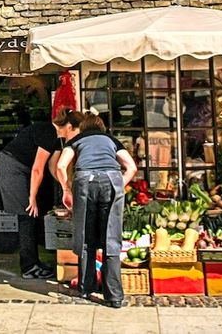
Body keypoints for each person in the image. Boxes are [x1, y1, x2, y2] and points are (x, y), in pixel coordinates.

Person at [55, 110, 138, 308]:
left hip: (85, 181)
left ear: (83, 128)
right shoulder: (111, 140)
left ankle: (86, 288)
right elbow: (132, 167)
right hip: (111, 180)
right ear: (102, 128)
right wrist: (119, 186)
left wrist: (66, 189)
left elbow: (60, 166)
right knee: (111, 237)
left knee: (85, 234)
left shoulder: (77, 140)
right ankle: (114, 296)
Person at [0, 109, 61, 280]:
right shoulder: (49, 132)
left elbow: (53, 168)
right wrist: (32, 197)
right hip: (11, 167)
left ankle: (34, 262)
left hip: (21, 169)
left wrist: (66, 187)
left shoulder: (59, 140)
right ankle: (29, 267)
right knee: (28, 214)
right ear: (68, 126)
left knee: (31, 215)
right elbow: (38, 169)